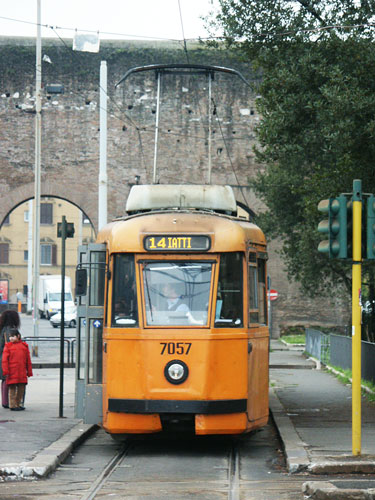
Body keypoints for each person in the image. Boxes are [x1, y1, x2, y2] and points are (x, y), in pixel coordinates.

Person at [1, 329, 33, 411]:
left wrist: (29, 372)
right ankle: (12, 405)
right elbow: (4, 360)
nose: (11, 338)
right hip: (12, 372)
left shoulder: (24, 346)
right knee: (12, 390)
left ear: (18, 336)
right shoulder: (8, 346)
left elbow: (28, 361)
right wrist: (5, 371)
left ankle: (17, 404)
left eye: (12, 336)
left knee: (21, 389)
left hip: (21, 372)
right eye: (10, 337)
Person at [0, 310, 21, 409]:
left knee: (5, 380)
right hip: (9, 359)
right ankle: (7, 402)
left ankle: (5, 401)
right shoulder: (11, 331)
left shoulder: (2, 329)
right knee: (8, 380)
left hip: (2, 357)